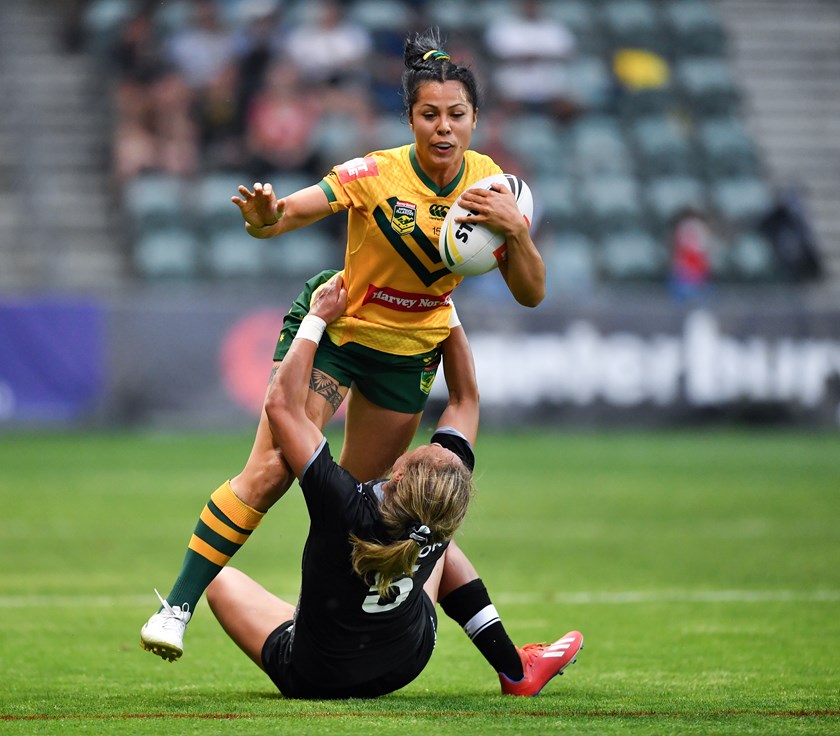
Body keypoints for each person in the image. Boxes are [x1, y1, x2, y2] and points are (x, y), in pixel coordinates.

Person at [140, 28, 545, 660]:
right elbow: (295, 211)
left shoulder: (492, 185)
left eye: (457, 115)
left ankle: (322, 621)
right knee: (275, 468)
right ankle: (178, 608)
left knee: (356, 504)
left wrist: (517, 234)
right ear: (410, 118)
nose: (444, 128)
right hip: (337, 329)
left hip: (410, 353)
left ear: (475, 120)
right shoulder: (376, 173)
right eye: (430, 114)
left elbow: (531, 293)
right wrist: (266, 217)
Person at [203, 275, 583, 697]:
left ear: (399, 473)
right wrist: (439, 306)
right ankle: (514, 669)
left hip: (313, 674)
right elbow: (465, 399)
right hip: (404, 661)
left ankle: (314, 625)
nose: (430, 445)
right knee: (434, 531)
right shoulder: (444, 502)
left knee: (220, 581)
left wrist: (314, 320)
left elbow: (280, 405)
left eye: (423, 450)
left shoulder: (345, 503)